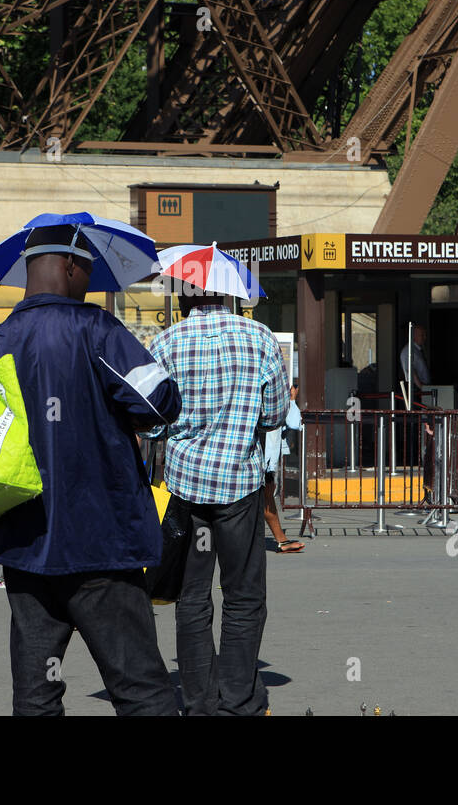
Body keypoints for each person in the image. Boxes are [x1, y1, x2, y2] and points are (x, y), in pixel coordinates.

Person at [0, 224, 182, 715]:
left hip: (24, 545)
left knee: (35, 694)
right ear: (70, 265)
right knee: (141, 688)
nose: (91, 281)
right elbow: (160, 403)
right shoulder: (96, 329)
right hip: (99, 542)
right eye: (89, 269)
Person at [151, 289, 289, 716]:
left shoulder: (165, 343)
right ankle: (238, 699)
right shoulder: (259, 336)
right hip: (239, 486)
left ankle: (198, 701)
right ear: (228, 297)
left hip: (185, 489)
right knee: (244, 596)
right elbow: (275, 414)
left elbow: (152, 423)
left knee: (192, 598)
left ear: (184, 300)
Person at [262, 382, 303, 553]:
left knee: (266, 497)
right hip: (262, 456)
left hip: (267, 458)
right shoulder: (275, 403)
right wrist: (291, 400)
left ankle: (281, 540)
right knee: (265, 497)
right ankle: (281, 540)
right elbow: (294, 423)